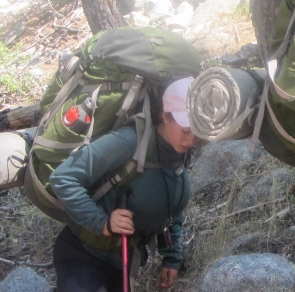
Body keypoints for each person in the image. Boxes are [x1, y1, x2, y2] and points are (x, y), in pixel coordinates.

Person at [50, 77, 198, 291]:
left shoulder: (178, 152)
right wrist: (101, 222)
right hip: (84, 255)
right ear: (166, 116)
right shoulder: (128, 142)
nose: (191, 139)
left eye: (197, 131)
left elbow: (172, 210)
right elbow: (63, 178)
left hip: (124, 263)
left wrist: (172, 257)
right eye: (186, 130)